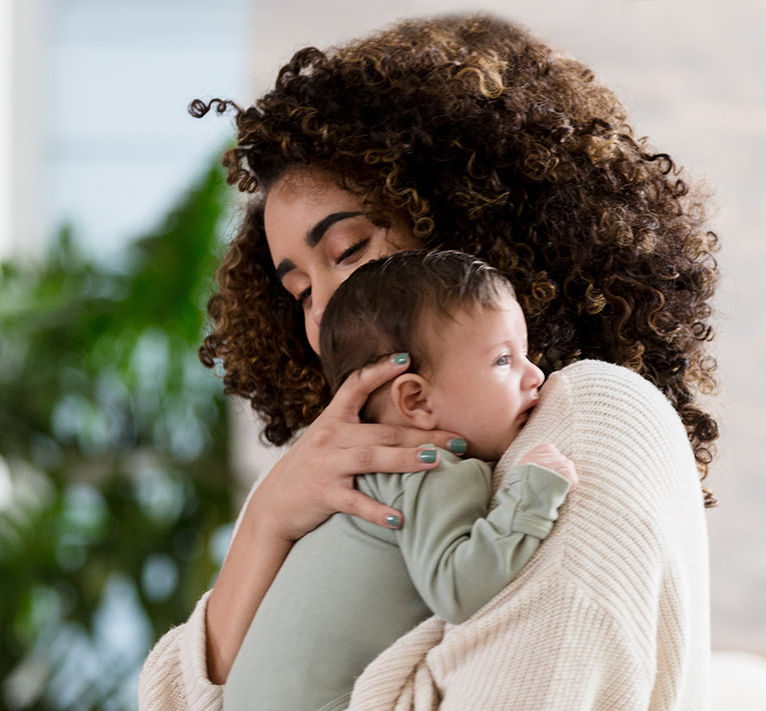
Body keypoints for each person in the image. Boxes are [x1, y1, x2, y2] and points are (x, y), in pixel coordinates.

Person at [140, 13, 718, 710]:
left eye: (350, 251)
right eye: (299, 290)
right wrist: (266, 519)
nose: (323, 311)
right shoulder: (399, 474)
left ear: (465, 217)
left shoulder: (592, 417)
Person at [223, 250, 578, 710]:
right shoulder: (431, 468)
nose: (536, 375)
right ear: (415, 400)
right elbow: (459, 589)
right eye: (503, 360)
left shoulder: (348, 475)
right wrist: (532, 494)